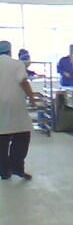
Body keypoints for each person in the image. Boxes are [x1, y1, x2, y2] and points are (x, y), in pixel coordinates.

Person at [0, 40, 36, 180]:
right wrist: (32, 98)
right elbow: (24, 82)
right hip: (15, 104)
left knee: (2, 137)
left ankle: (4, 171)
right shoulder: (17, 64)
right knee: (22, 134)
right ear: (10, 51)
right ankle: (16, 167)